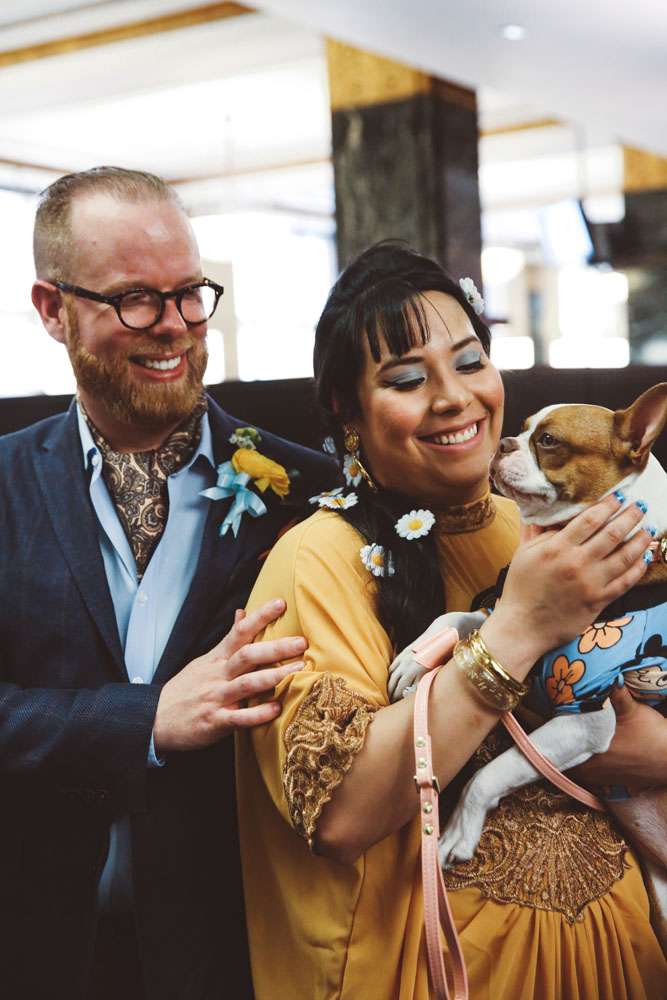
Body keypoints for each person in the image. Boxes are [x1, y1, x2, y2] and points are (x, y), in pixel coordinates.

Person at [236, 241, 667, 999]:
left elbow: (630, 705)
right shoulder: (318, 560)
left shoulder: (549, 520)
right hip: (449, 970)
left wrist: (652, 751)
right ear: (346, 410)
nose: (453, 398)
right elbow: (341, 815)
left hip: (623, 958)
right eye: (407, 380)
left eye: (470, 363)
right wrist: (514, 630)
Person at [0, 166, 336, 1000]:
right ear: (52, 309)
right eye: (135, 300)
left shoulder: (310, 493)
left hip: (244, 948)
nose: (175, 326)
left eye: (189, 293)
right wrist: (143, 720)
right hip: (40, 946)